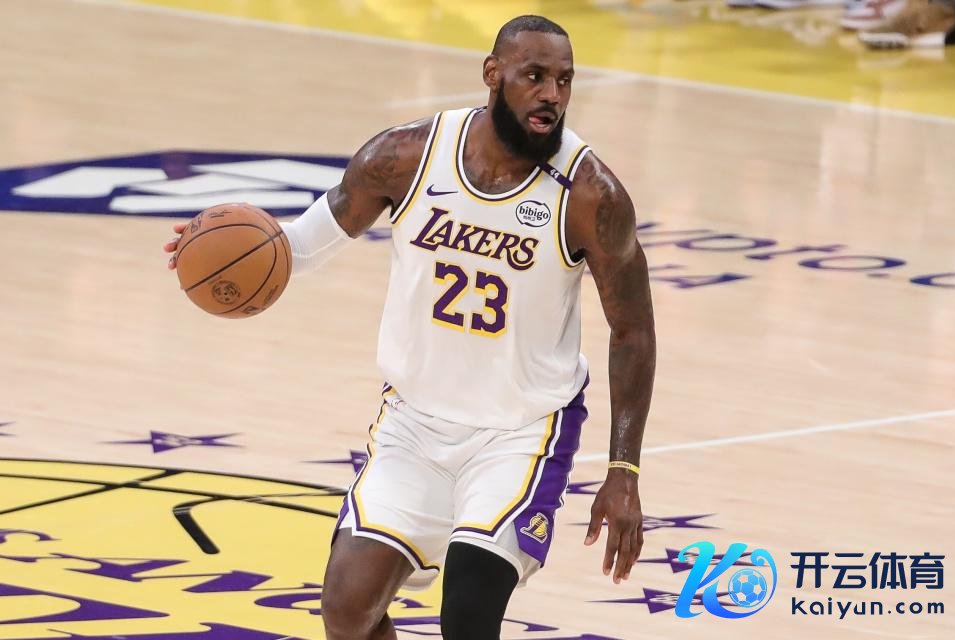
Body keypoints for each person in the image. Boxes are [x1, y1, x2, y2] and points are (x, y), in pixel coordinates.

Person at [164, 14, 656, 640]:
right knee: (347, 609)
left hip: (520, 431)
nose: (551, 95)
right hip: (414, 424)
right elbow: (303, 244)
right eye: (534, 76)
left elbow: (633, 331)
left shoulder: (590, 194)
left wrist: (623, 471)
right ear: (493, 73)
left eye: (564, 80)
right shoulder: (406, 156)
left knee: (468, 616)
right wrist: (223, 248)